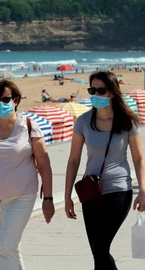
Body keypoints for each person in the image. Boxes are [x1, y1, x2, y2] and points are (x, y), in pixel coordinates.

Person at [0, 80, 54, 269]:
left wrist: (48, 198)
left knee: (6, 246)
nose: (0, 104)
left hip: (21, 196)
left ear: (16, 100)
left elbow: (44, 163)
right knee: (8, 247)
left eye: (5, 99)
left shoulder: (28, 125)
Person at [65, 71, 145, 270]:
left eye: (101, 90)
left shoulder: (127, 122)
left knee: (100, 247)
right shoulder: (83, 121)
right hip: (90, 192)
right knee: (97, 252)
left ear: (112, 92)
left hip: (119, 190)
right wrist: (67, 196)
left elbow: (139, 158)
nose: (96, 95)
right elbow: (73, 160)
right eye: (92, 90)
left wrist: (143, 190)